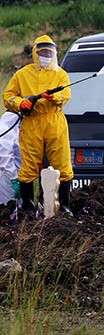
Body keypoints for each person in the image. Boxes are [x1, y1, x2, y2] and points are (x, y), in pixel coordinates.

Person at [3, 35, 74, 215]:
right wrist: (20, 103)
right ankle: (28, 207)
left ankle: (63, 206)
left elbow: (66, 94)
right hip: (31, 123)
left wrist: (54, 97)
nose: (46, 55)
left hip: (54, 121)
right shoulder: (22, 74)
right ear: (35, 52)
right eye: (42, 51)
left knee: (62, 165)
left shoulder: (60, 74)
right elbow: (8, 96)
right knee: (28, 166)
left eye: (49, 52)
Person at [0, 111, 22, 206]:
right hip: (6, 179)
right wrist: (14, 180)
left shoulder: (14, 130)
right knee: (8, 208)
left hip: (11, 177)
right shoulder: (5, 131)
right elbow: (5, 163)